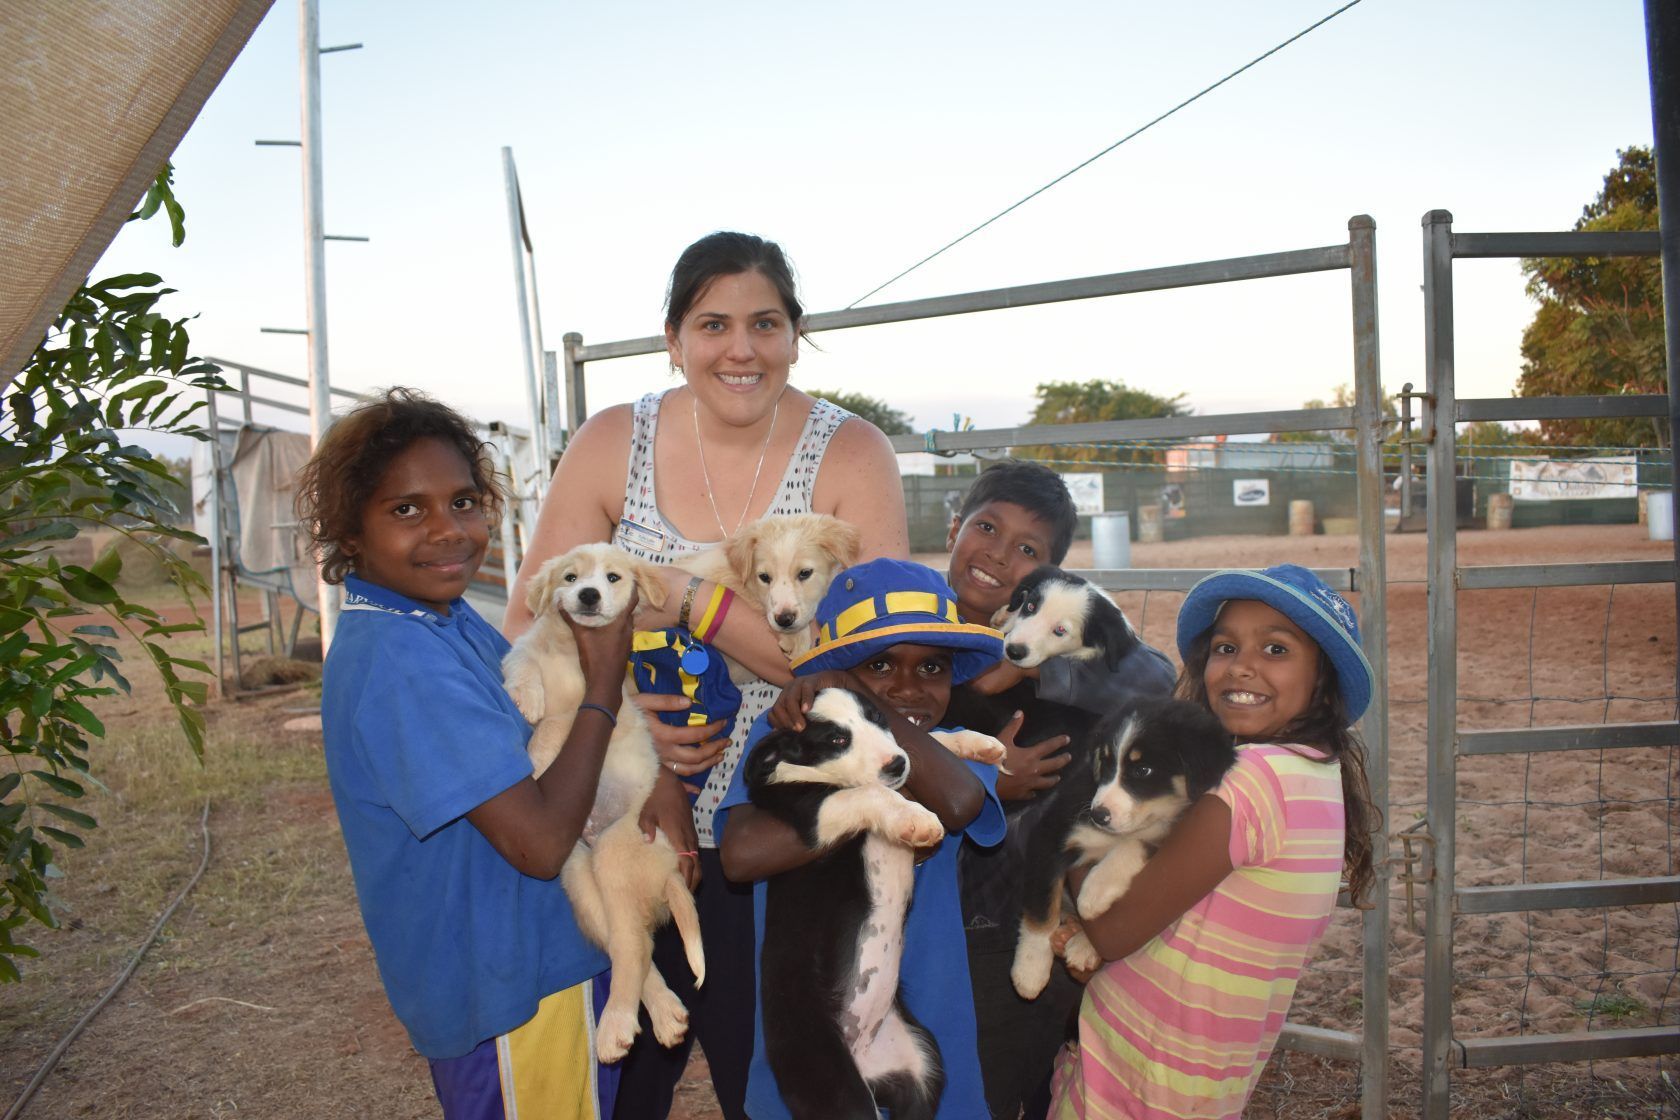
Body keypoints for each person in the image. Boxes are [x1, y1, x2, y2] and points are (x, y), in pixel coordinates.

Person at [504, 231, 909, 1120]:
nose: (740, 349)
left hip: (780, 824)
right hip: (622, 808)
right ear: (673, 338)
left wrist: (690, 599)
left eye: (765, 323)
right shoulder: (614, 442)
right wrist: (624, 722)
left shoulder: (851, 453)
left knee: (770, 1080)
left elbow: (880, 662)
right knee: (619, 1081)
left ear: (796, 334)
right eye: (713, 324)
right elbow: (530, 620)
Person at [299, 388, 672, 1119]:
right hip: (512, 988)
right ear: (349, 532)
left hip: (541, 959)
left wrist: (653, 783)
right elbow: (537, 844)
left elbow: (544, 745)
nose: (447, 530)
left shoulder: (442, 621)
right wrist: (604, 682)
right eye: (407, 509)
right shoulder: (403, 662)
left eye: (464, 502)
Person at [1047, 563, 1379, 1120]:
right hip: (1200, 1077)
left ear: (1323, 683)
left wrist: (1072, 824)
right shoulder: (1313, 773)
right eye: (1225, 648)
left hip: (1140, 1079)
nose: (1242, 666)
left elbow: (1112, 928)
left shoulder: (1252, 781)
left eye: (1276, 650)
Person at [715, 557, 1008, 1120]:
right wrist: (862, 785)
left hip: (924, 1031)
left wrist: (861, 697)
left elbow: (958, 803)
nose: (907, 688)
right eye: (878, 665)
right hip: (810, 1039)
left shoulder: (949, 752)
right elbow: (742, 854)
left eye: (932, 668)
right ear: (834, 669)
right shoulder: (790, 735)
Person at [945, 461, 1177, 1120]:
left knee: (1036, 1069)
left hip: (1038, 898)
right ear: (955, 528)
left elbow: (1158, 678)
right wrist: (985, 776)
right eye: (987, 529)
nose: (999, 555)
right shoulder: (915, 617)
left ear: (1051, 572)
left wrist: (1032, 674)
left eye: (1027, 549)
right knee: (970, 1071)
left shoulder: (1058, 635)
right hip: (951, 902)